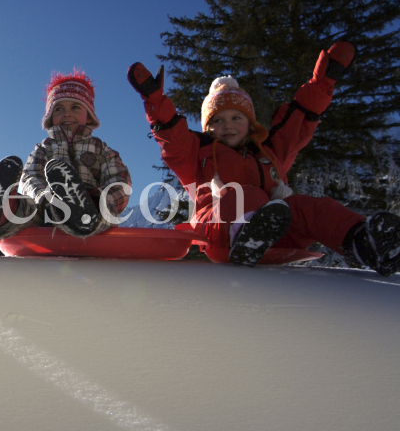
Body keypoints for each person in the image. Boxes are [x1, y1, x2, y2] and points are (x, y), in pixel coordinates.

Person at [127, 41, 400, 273]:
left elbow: (298, 121)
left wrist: (322, 83)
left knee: (310, 207)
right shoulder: (197, 152)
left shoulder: (269, 151)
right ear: (206, 128)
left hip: (275, 230)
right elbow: (172, 137)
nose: (228, 125)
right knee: (246, 195)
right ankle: (245, 237)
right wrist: (156, 102)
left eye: (236, 117)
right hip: (221, 231)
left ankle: (364, 242)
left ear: (250, 122)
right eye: (217, 121)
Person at [0, 70, 131, 240]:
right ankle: (1, 211)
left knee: (104, 212)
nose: (67, 113)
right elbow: (30, 177)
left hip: (89, 206)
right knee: (26, 210)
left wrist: (101, 199)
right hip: (46, 208)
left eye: (75, 107)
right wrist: (43, 197)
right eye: (59, 108)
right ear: (50, 116)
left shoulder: (100, 149)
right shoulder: (44, 148)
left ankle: (83, 212)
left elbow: (119, 181)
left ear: (89, 115)